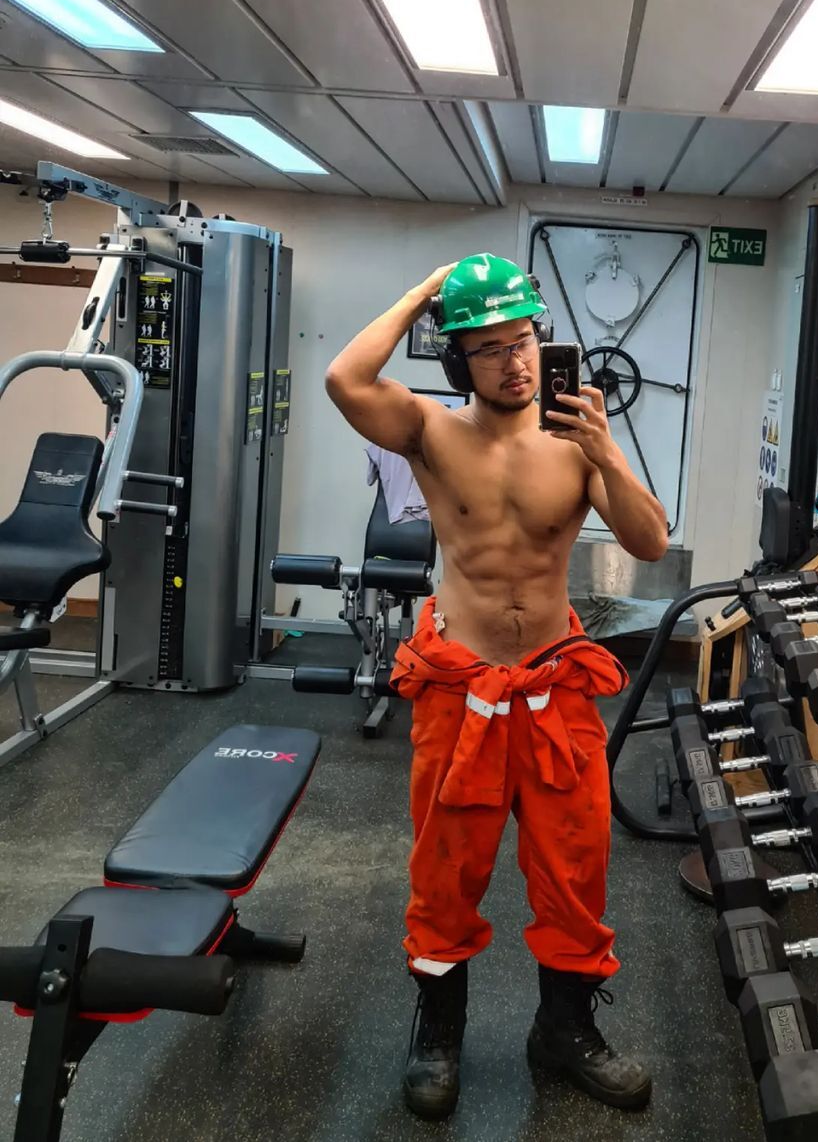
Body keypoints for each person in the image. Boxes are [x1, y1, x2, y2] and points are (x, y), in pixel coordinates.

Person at [326, 253, 669, 1120]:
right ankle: (439, 1031)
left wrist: (605, 452)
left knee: (575, 865)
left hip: (555, 690)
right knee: (446, 869)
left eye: (523, 341)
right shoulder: (429, 433)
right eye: (488, 347)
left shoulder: (576, 444)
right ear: (457, 359)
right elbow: (344, 379)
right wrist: (421, 293)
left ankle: (565, 1029)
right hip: (461, 692)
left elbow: (651, 543)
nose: (514, 362)